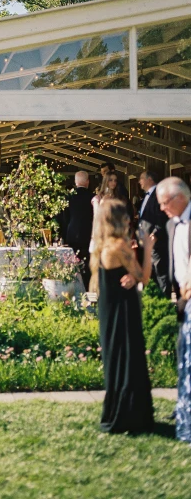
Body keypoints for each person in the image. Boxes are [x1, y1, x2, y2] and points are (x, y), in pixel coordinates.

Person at [90, 199, 155, 434]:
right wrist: (147, 249)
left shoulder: (104, 245)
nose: (130, 220)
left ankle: (118, 410)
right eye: (126, 217)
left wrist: (133, 276)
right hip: (124, 310)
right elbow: (144, 277)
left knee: (116, 357)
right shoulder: (120, 246)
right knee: (129, 356)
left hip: (110, 310)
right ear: (118, 220)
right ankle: (132, 415)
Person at [156, 177, 191, 440]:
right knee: (183, 356)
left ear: (179, 198)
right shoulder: (172, 224)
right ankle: (183, 407)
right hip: (183, 298)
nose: (162, 208)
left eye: (164, 203)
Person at [138, 170, 170, 295]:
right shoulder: (147, 195)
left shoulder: (158, 194)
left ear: (149, 179)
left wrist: (155, 233)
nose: (139, 181)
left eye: (141, 178)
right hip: (146, 241)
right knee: (150, 273)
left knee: (160, 272)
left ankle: (164, 303)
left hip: (157, 241)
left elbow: (162, 217)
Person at [60, 171, 94, 289]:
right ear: (88, 182)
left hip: (72, 233)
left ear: (75, 182)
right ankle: (87, 285)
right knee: (88, 263)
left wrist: (64, 235)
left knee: (73, 261)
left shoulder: (69, 197)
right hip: (88, 234)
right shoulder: (92, 197)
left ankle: (74, 287)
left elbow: (65, 218)